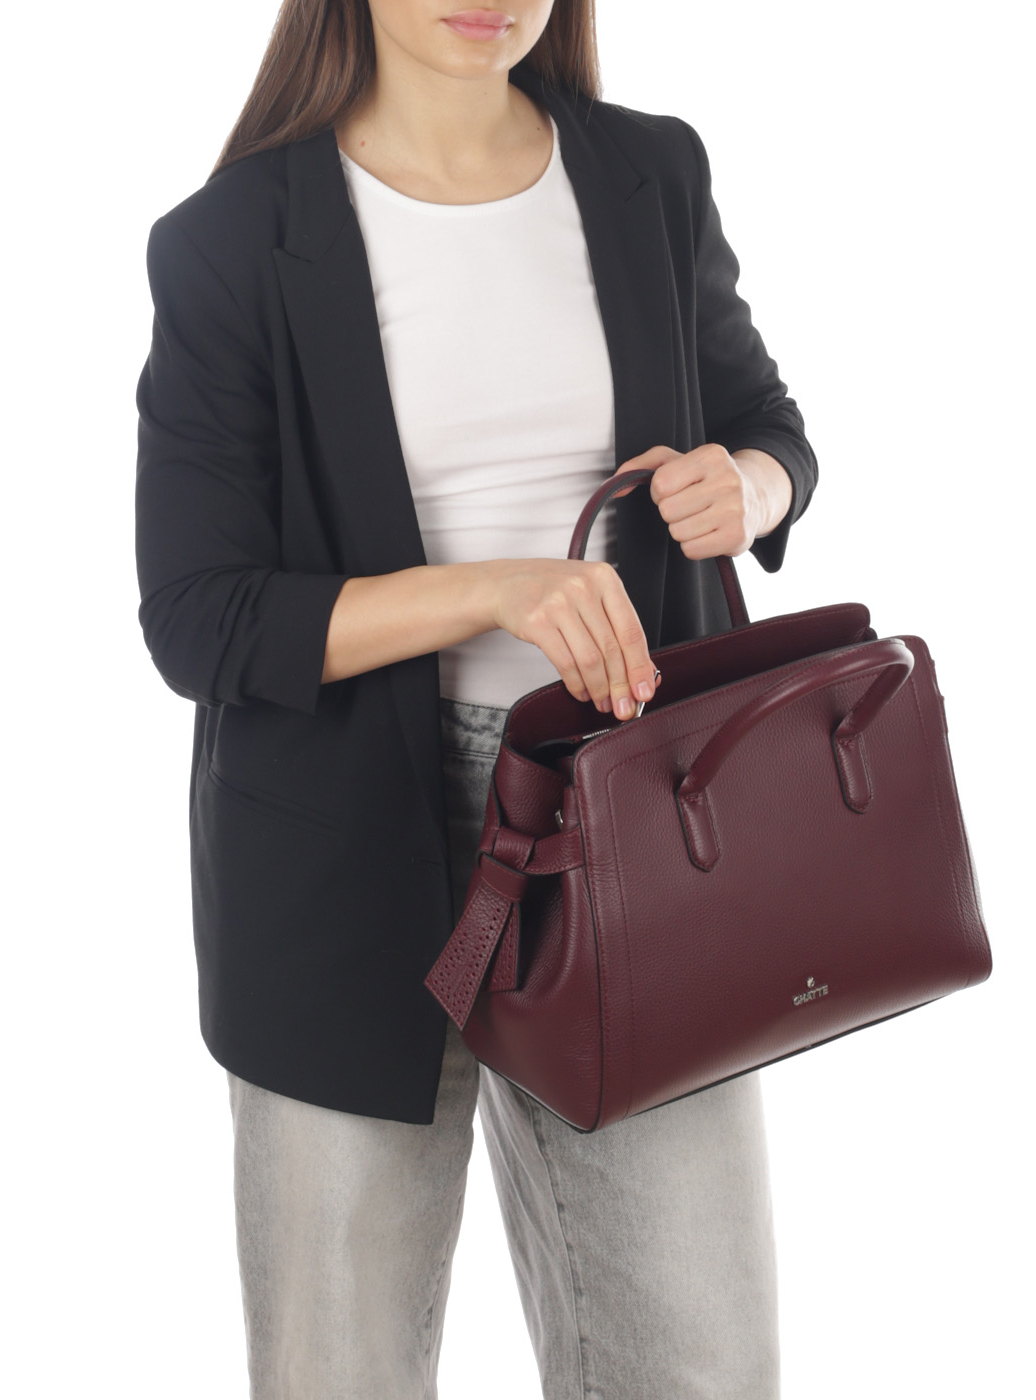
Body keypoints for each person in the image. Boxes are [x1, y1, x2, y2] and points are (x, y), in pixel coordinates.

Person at [134, 2, 818, 1395]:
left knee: (702, 1366)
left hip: (627, 820)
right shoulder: (232, 238)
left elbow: (768, 426)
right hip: (340, 847)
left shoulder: (650, 173)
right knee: (341, 1370)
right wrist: (492, 591)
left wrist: (748, 489)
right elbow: (201, 617)